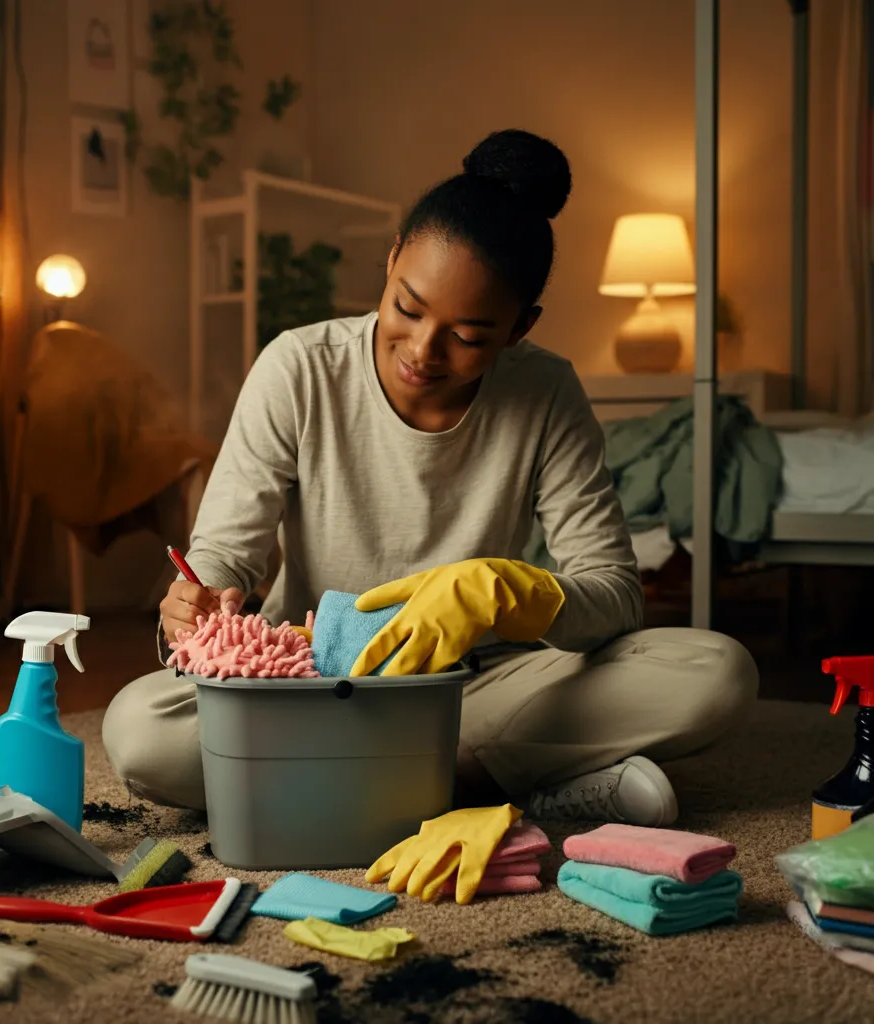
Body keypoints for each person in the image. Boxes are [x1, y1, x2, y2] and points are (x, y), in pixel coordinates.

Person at [103, 129, 758, 827]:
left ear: (518, 328)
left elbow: (615, 597)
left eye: (469, 336)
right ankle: (502, 786)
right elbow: (224, 557)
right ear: (390, 263)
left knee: (715, 674)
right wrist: (195, 605)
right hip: (307, 681)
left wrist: (502, 593)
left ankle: (336, 782)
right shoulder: (299, 368)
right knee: (140, 732)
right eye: (407, 308)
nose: (422, 351)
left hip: (474, 687)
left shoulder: (545, 392)